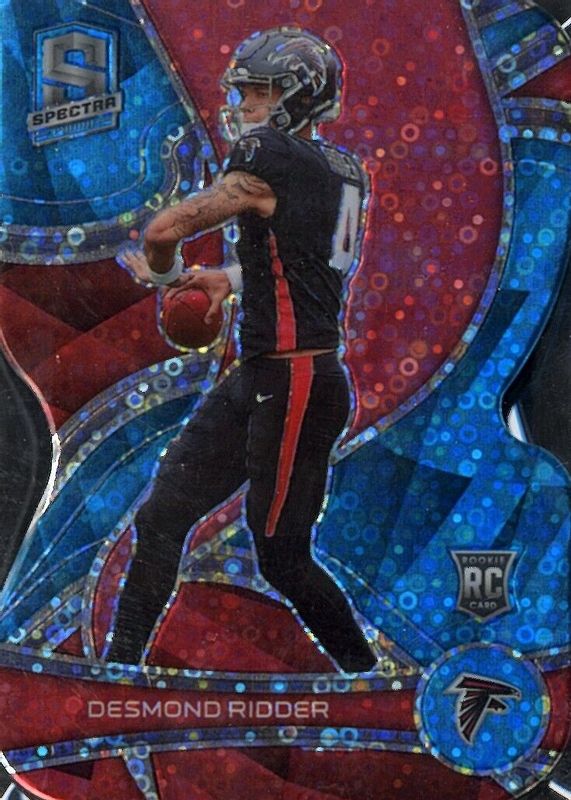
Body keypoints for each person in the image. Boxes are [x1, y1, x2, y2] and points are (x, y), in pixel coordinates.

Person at [108, 27, 377, 674]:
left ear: (297, 96)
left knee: (281, 556)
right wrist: (229, 278)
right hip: (264, 376)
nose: (244, 105)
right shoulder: (343, 169)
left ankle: (366, 678)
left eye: (258, 92)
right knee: (162, 515)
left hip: (295, 381)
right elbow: (310, 258)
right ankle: (119, 670)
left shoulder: (269, 153)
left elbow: (164, 230)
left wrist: (170, 275)